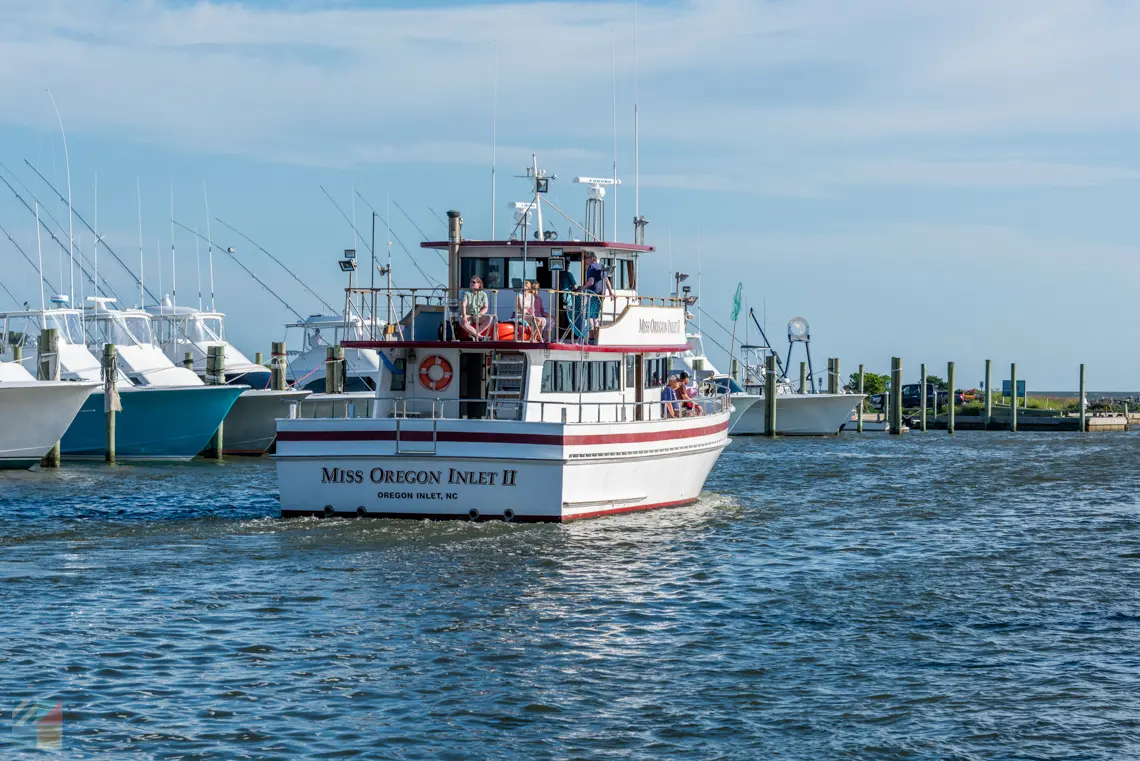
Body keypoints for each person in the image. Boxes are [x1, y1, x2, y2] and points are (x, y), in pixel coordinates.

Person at [582, 253, 611, 330]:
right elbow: (607, 280)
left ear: (592, 258)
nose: (585, 260)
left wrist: (581, 288)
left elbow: (591, 282)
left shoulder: (591, 267)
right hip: (601, 295)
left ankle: (591, 337)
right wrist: (611, 293)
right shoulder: (600, 266)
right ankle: (596, 336)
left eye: (586, 258)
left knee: (589, 316)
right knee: (595, 316)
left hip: (593, 295)